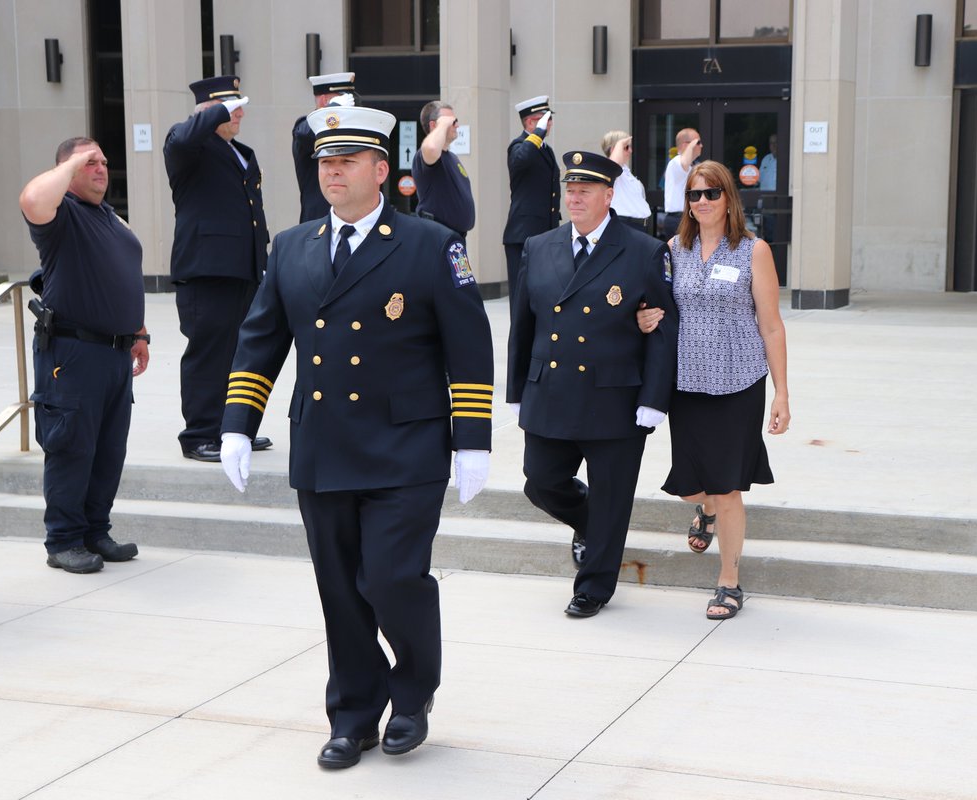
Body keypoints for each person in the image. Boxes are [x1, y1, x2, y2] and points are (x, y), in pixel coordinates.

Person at [218, 105, 494, 768]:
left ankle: (412, 693)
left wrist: (473, 438)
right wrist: (237, 424)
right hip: (323, 446)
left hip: (405, 448)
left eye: (345, 161)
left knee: (393, 579)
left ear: (380, 170)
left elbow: (469, 344)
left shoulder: (430, 243)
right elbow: (259, 342)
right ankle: (353, 714)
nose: (331, 171)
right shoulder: (293, 246)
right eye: (323, 161)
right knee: (340, 589)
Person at [506, 149, 678, 618]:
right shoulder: (540, 246)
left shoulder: (644, 250)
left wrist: (654, 400)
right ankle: (592, 526)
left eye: (585, 190)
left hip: (614, 397)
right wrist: (517, 388)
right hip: (551, 390)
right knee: (540, 482)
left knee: (613, 494)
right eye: (570, 189)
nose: (575, 197)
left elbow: (663, 328)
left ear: (609, 195)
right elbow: (522, 325)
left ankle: (594, 587)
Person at [637, 161, 790, 619]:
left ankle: (729, 581)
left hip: (738, 382)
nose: (701, 202)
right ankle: (701, 509)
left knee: (727, 488)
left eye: (711, 194)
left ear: (729, 199)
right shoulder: (671, 250)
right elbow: (656, 311)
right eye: (694, 195)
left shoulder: (753, 250)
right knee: (691, 486)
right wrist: (645, 319)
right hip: (686, 385)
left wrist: (782, 393)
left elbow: (772, 326)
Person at [18, 137, 149, 574]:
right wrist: (74, 159)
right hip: (73, 353)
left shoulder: (108, 217)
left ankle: (95, 530)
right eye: (90, 162)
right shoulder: (62, 218)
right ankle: (64, 540)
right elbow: (32, 198)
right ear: (67, 168)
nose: (101, 169)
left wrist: (139, 331)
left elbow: (124, 276)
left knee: (108, 450)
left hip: (114, 354)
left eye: (104, 161)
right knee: (71, 447)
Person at [164, 75, 271, 462]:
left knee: (241, 355)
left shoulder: (239, 150)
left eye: (239, 105)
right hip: (207, 271)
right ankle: (199, 434)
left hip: (245, 269)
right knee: (209, 355)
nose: (239, 113)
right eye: (230, 107)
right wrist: (214, 112)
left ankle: (234, 429)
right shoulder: (188, 146)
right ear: (208, 111)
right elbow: (183, 137)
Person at [504, 95, 560, 303]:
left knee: (541, 294)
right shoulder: (518, 145)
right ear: (530, 122)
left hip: (544, 233)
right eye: (545, 119)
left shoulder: (546, 150)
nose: (550, 124)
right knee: (521, 297)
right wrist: (537, 133)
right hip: (523, 234)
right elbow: (521, 160)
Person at [292, 72, 358, 223]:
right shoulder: (304, 127)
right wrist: (334, 108)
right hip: (319, 219)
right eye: (341, 97)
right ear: (324, 100)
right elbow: (305, 132)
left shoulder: (347, 127)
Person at [412, 100, 475, 236]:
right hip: (436, 236)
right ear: (433, 125)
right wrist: (442, 125)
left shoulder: (451, 157)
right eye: (451, 121)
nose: (457, 125)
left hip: (455, 236)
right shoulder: (425, 154)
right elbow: (432, 147)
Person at [601, 130, 652, 232]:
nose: (630, 151)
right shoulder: (609, 169)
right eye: (626, 147)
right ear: (614, 149)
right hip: (625, 224)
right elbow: (613, 165)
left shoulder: (625, 172)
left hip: (639, 226)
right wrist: (620, 144)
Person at [661, 128, 702, 239]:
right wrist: (691, 146)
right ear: (685, 145)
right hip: (679, 219)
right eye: (698, 142)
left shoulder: (692, 165)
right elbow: (684, 163)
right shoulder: (676, 161)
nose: (701, 146)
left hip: (689, 217)